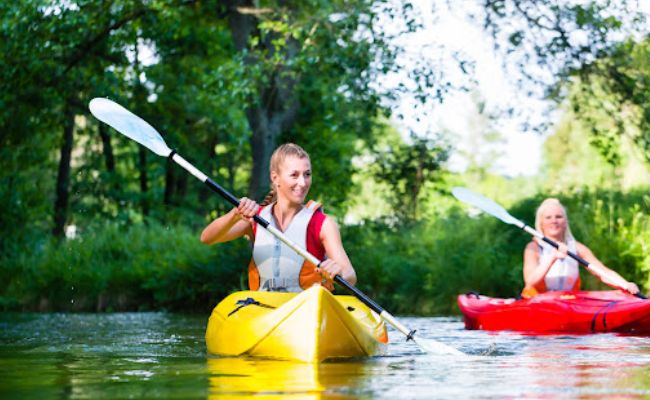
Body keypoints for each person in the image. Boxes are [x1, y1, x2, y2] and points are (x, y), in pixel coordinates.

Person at [200, 143, 356, 292]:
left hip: (306, 310)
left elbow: (351, 276)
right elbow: (207, 238)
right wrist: (234, 214)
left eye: (307, 174)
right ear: (275, 178)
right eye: (294, 175)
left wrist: (339, 273)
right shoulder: (256, 218)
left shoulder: (322, 224)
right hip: (263, 307)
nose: (302, 183)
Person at [521, 198, 640, 298]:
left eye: (558, 217)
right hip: (536, 300)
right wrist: (553, 257)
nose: (554, 221)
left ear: (565, 221)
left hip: (566, 301)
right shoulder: (533, 248)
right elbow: (530, 281)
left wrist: (625, 284)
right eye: (548, 217)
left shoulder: (576, 247)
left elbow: (602, 272)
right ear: (541, 222)